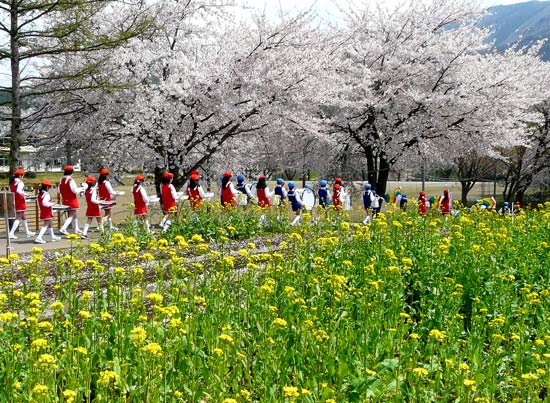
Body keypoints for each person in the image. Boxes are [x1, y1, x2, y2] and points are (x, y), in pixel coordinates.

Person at [8, 168, 35, 239]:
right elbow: (19, 191)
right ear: (20, 175)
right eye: (23, 175)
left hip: (14, 200)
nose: (23, 176)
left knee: (23, 217)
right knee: (18, 218)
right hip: (20, 201)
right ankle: (11, 233)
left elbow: (10, 192)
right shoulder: (20, 182)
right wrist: (26, 194)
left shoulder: (12, 183)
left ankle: (27, 232)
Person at [58, 165, 81, 235]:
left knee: (74, 214)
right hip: (72, 200)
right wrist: (82, 189)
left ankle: (76, 228)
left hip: (65, 200)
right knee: (72, 215)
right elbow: (75, 191)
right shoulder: (71, 180)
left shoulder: (61, 180)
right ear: (71, 172)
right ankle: (63, 228)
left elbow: (58, 190)